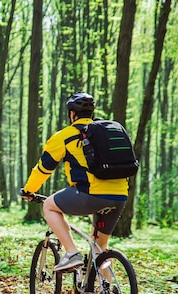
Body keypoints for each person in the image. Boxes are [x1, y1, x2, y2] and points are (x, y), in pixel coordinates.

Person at [21, 92, 128, 271]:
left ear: (72, 114)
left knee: (49, 205)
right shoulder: (105, 133)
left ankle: (71, 253)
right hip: (120, 196)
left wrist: (28, 190)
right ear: (92, 113)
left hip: (89, 194)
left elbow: (43, 169)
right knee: (100, 249)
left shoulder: (64, 136)